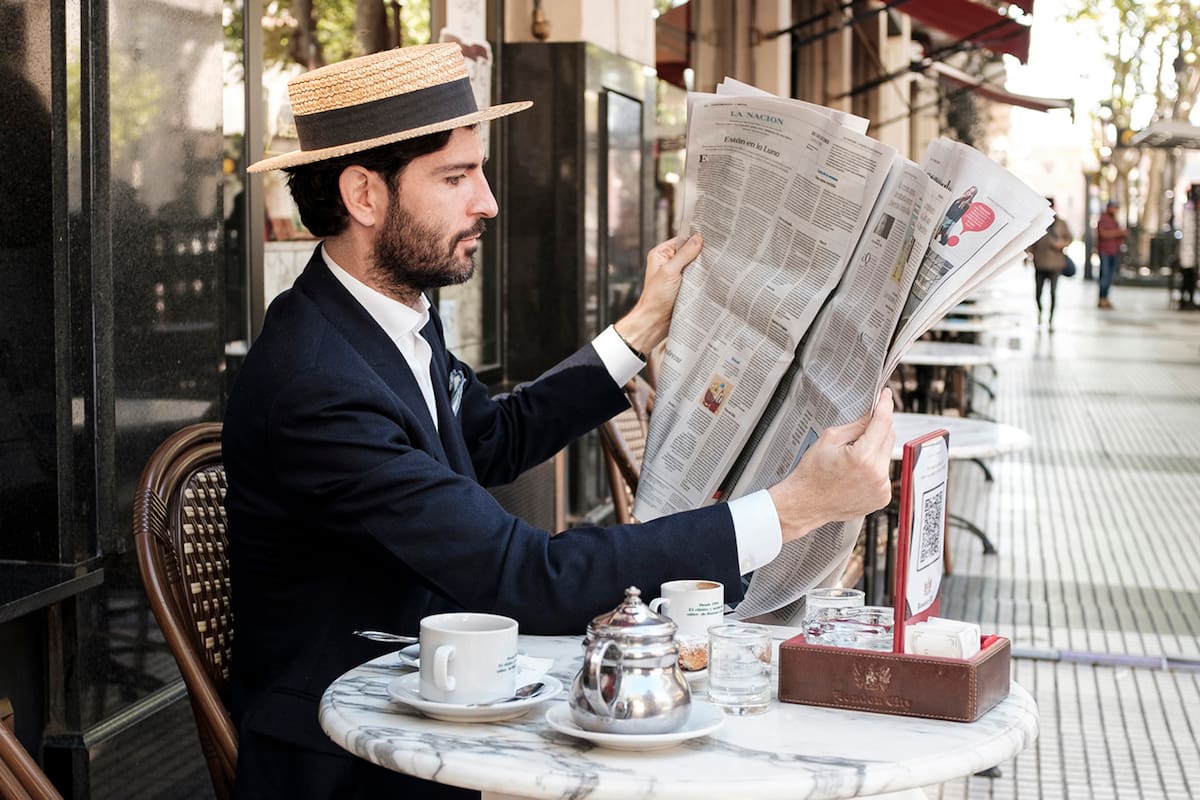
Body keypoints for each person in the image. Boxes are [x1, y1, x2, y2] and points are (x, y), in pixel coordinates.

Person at [223, 44, 895, 799]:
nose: (488, 201)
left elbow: (489, 439)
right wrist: (794, 507)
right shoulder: (316, 380)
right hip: (352, 762)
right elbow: (522, 574)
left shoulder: (392, 315)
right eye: (456, 177)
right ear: (364, 196)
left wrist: (639, 330)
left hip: (447, 700)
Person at [1029, 197, 1073, 332]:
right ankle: (1040, 313)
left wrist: (1062, 244)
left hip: (1055, 264)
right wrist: (1027, 255)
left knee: (1053, 293)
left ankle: (1050, 320)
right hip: (1040, 263)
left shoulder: (1061, 223)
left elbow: (1070, 238)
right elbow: (1031, 241)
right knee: (1038, 293)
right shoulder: (1038, 223)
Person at [1095, 200, 1125, 309]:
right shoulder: (1103, 220)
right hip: (1105, 251)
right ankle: (1101, 298)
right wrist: (1118, 233)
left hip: (1114, 251)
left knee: (1110, 276)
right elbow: (1103, 234)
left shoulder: (1115, 221)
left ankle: (1106, 298)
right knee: (1105, 275)